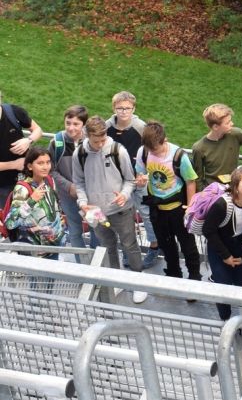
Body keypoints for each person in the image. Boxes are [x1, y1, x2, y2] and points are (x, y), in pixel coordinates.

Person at [73, 116, 147, 303]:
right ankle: (116, 280)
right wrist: (82, 203)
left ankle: (139, 282)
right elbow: (79, 182)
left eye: (103, 140)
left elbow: (130, 180)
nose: (99, 145)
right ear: (86, 135)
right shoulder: (79, 154)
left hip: (121, 210)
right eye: (95, 141)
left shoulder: (117, 151)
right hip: (96, 212)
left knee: (130, 245)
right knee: (108, 247)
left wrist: (124, 194)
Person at [135, 120, 201, 283]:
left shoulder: (178, 156)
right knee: (166, 245)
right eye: (149, 149)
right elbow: (140, 174)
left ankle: (194, 277)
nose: (152, 153)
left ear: (164, 140)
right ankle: (173, 275)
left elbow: (191, 181)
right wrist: (141, 181)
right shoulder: (144, 152)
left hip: (178, 209)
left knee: (188, 246)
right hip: (157, 209)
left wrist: (190, 208)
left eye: (155, 149)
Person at [105, 91, 159, 268]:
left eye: (127, 108)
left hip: (139, 179)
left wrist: (145, 173)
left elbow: (154, 150)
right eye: (120, 108)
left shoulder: (141, 127)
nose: (123, 112)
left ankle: (154, 247)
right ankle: (129, 251)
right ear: (114, 108)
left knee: (146, 214)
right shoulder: (107, 127)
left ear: (134, 109)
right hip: (117, 181)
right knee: (124, 217)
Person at [202, 166, 242, 321]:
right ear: (235, 186)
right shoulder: (222, 205)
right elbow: (208, 231)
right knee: (223, 285)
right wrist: (225, 256)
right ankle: (225, 319)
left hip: (240, 244)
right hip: (219, 245)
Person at [3, 147, 67, 254]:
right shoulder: (22, 189)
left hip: (55, 246)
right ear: (30, 166)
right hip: (35, 253)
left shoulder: (49, 181)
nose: (45, 167)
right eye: (40, 163)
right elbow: (10, 223)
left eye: (48, 162)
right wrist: (31, 201)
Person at [48, 105, 93, 255]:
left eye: (76, 124)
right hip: (68, 196)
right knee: (74, 230)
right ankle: (81, 266)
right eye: (68, 123)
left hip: (91, 195)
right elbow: (51, 170)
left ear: (84, 125)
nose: (71, 128)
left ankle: (95, 264)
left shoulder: (92, 141)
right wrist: (69, 187)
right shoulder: (57, 142)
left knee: (97, 229)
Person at [191, 103, 242, 191]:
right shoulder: (199, 148)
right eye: (227, 123)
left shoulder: (236, 134)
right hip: (213, 192)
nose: (232, 123)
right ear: (215, 127)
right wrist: (204, 194)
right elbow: (198, 177)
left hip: (233, 188)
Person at [0, 99, 43, 201]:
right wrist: (14, 164)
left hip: (26, 179)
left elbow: (38, 130)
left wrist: (28, 140)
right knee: (8, 216)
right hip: (2, 186)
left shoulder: (13, 112)